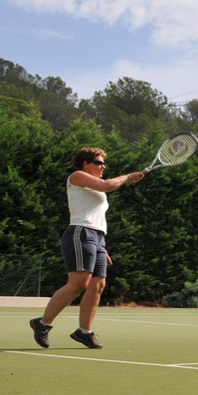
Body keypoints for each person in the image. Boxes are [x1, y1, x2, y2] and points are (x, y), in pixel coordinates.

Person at [29, 147, 145, 349]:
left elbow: (96, 215)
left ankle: (84, 332)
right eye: (98, 163)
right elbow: (107, 186)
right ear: (85, 164)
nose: (103, 167)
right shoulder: (77, 176)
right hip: (81, 233)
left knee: (98, 285)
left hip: (97, 237)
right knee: (78, 283)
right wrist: (128, 177)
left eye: (103, 163)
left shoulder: (93, 187)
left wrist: (101, 248)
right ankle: (42, 323)